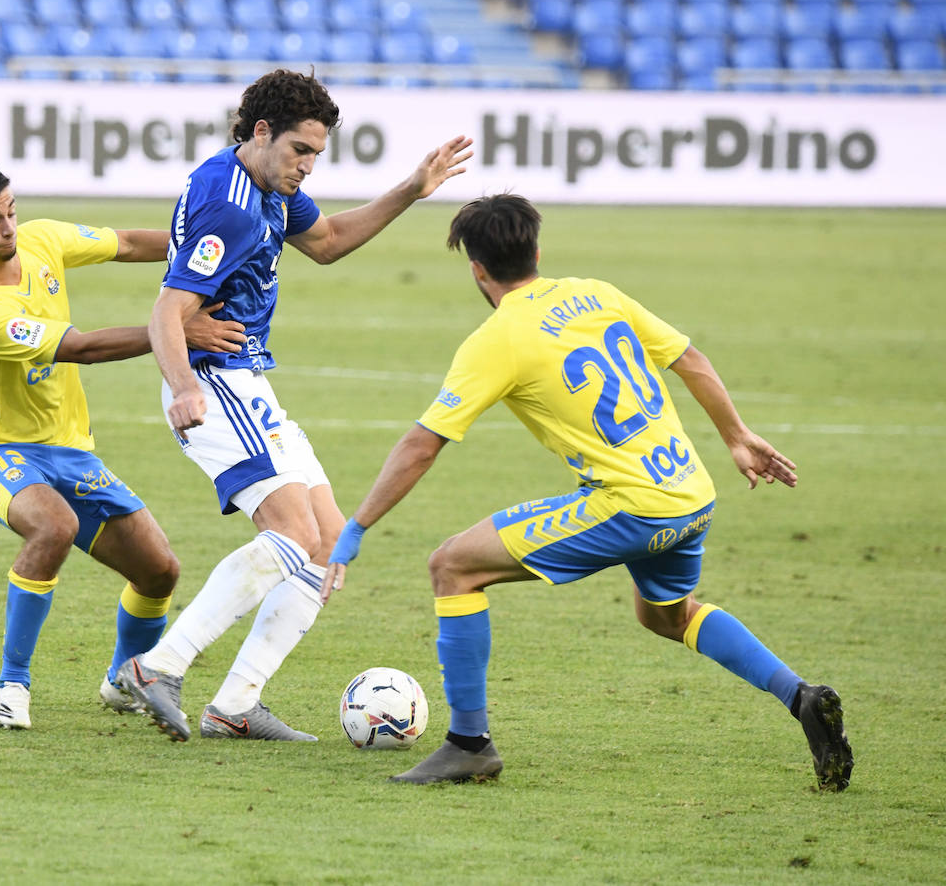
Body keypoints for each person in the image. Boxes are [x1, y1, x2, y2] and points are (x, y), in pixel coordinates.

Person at [322, 193, 854, 790]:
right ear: (537, 251)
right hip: (690, 494)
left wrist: (358, 525)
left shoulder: (497, 338)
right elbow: (690, 358)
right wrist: (736, 436)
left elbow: (422, 445)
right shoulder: (596, 292)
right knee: (667, 616)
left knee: (452, 567)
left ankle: (469, 744)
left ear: (477, 269)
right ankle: (800, 696)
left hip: (631, 505)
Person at [113, 69, 474, 742]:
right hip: (217, 379)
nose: (307, 167)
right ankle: (158, 667)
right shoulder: (229, 203)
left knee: (328, 546)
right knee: (291, 535)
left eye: (316, 154)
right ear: (260, 133)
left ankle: (235, 704)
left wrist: (411, 190)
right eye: (299, 151)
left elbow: (329, 242)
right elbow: (168, 307)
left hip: (249, 378)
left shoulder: (267, 186)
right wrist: (186, 387)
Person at [0, 160, 243, 730]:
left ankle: (124, 678)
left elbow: (127, 242)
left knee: (159, 571)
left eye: (10, 211)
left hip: (70, 450)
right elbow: (79, 348)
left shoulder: (40, 239)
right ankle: (12, 684)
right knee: (52, 527)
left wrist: (208, 251)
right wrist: (173, 330)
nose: (8, 228)